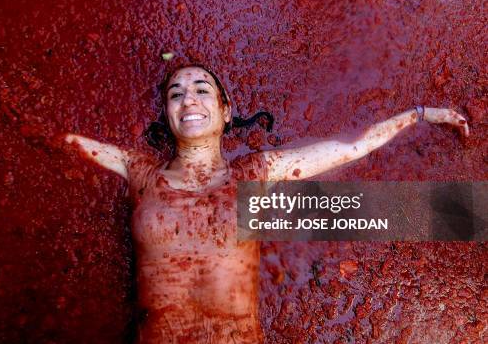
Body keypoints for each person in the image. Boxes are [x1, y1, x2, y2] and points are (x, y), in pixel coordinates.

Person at [64, 65, 469, 343]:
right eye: (176, 94)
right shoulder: (140, 172)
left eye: (202, 90)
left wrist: (419, 114)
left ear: (225, 112)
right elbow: (64, 143)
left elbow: (351, 148)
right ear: (167, 114)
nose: (188, 100)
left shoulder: (253, 172)